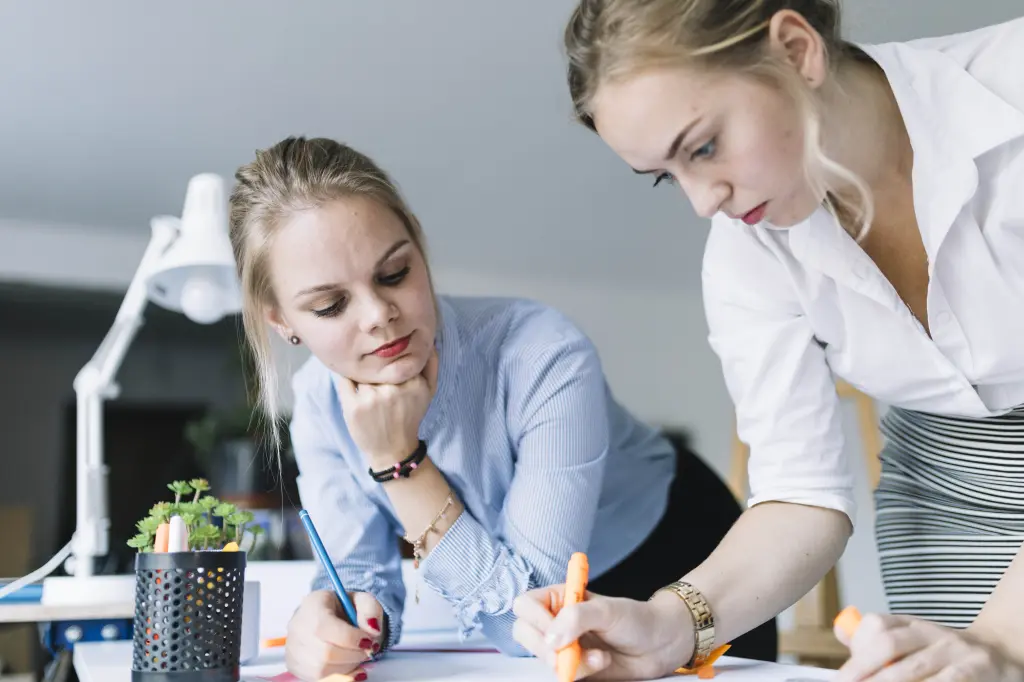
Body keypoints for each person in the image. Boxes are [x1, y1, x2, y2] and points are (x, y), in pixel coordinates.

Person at [512, 1, 1024, 680]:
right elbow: (799, 490)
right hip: (949, 505)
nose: (702, 201)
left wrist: (1003, 641)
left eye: (702, 147)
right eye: (668, 173)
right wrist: (674, 622)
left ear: (794, 49)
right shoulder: (747, 248)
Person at [227, 136, 777, 680]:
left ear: (418, 245)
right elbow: (359, 575)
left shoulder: (542, 352)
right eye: (330, 305)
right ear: (281, 321)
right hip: (531, 607)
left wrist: (400, 463)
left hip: (675, 561)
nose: (378, 314)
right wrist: (336, 620)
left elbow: (529, 615)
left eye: (395, 273)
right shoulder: (319, 404)